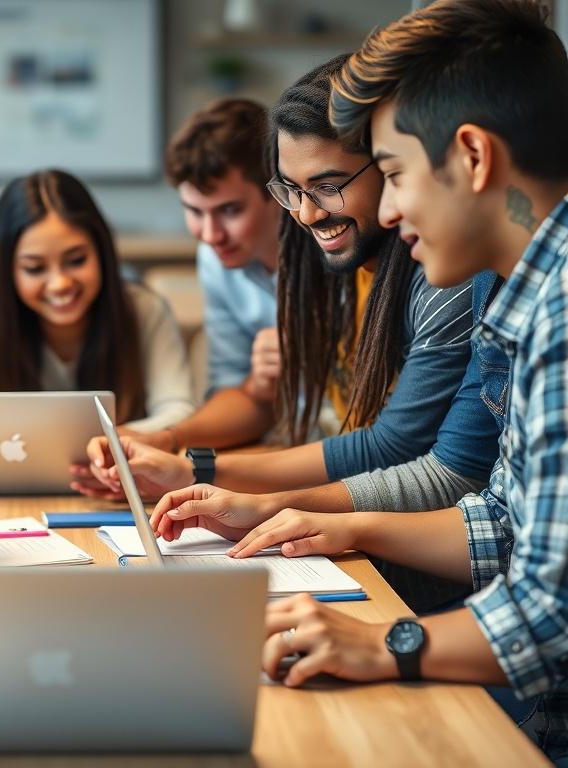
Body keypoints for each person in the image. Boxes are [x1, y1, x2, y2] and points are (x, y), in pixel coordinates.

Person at [162, 0, 568, 759]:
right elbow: (503, 526)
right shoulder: (529, 297)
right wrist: (338, 524)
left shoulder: (561, 313)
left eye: (393, 174)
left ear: (473, 158)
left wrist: (387, 643)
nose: (385, 208)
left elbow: (550, 616)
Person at [77, 56, 496, 515]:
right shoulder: (329, 252)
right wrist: (180, 451)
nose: (306, 214)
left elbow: (400, 452)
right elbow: (261, 399)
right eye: (292, 191)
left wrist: (206, 473)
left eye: (327, 186)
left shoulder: (439, 275)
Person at [0, 169, 195, 432]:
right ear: (7, 271)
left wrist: (117, 442)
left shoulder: (143, 309)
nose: (59, 284)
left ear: (102, 252)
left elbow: (180, 410)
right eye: (34, 268)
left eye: (76, 260)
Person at [132, 98, 282, 453]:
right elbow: (247, 397)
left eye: (230, 210)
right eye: (194, 211)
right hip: (287, 445)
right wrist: (165, 440)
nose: (211, 234)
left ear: (278, 193)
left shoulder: (335, 247)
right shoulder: (214, 260)